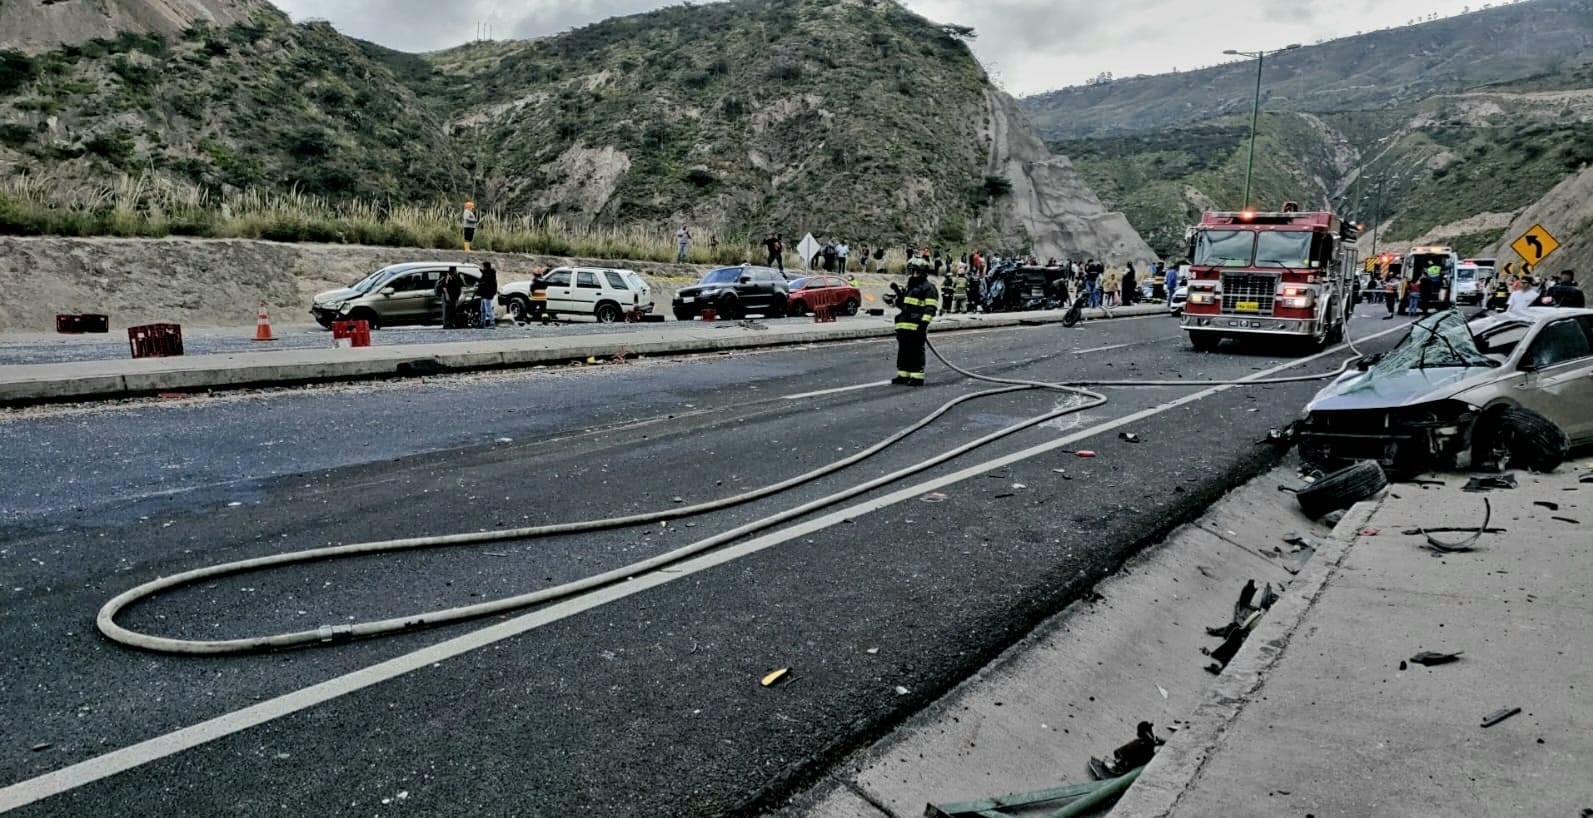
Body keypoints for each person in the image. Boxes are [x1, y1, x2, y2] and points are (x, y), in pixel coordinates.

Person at [892, 252, 938, 387]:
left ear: (923, 273)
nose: (914, 275)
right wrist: (898, 293)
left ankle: (917, 376)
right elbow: (903, 306)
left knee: (915, 352)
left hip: (916, 326)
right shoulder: (910, 288)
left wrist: (923, 324)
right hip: (903, 326)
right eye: (912, 272)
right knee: (903, 352)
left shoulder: (928, 288)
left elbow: (931, 308)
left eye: (916, 272)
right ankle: (903, 375)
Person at [476, 262, 499, 328]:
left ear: (485, 267)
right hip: (485, 294)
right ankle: (482, 323)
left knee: (488, 309)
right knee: (483, 309)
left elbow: (485, 283)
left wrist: (478, 284)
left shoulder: (488, 274)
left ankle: (492, 323)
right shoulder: (489, 273)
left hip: (487, 294)